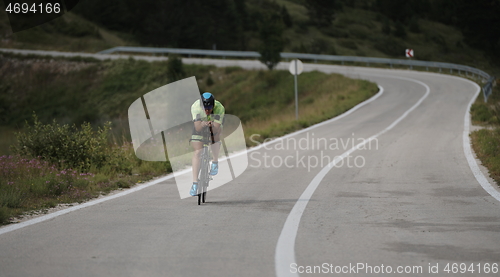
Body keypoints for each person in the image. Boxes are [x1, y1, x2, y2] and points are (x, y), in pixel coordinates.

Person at [189, 92, 225, 196]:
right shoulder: (195, 107)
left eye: (209, 108)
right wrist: (204, 124)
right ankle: (195, 183)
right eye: (205, 108)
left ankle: (215, 161)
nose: (207, 111)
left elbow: (217, 127)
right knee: (197, 152)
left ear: (213, 105)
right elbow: (198, 128)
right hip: (200, 125)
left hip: (214, 125)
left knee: (216, 135)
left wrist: (211, 125)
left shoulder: (219, 108)